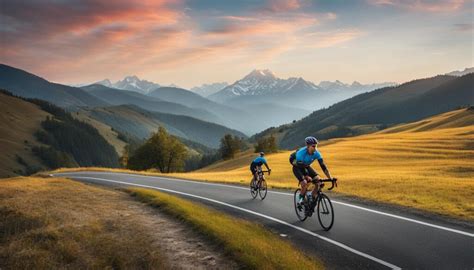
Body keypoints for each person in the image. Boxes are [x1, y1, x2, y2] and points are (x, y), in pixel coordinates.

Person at [290, 136, 333, 205]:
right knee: (304, 183)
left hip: (306, 166)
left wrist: (330, 178)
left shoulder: (317, 153)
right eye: (313, 146)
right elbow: (301, 167)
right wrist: (306, 176)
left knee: (319, 181)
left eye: (316, 146)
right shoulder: (301, 153)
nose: (315, 148)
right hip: (297, 168)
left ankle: (311, 198)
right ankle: (300, 200)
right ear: (308, 146)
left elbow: (323, 166)